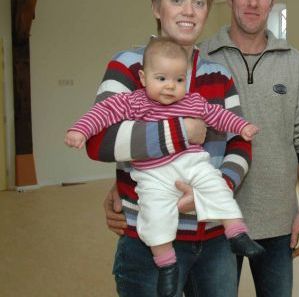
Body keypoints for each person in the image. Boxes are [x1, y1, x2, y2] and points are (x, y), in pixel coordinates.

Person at [66, 38, 265, 295]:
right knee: (155, 216)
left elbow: (220, 116)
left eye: (178, 80)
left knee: (215, 185)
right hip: (153, 173)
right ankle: (167, 263)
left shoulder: (193, 101)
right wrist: (80, 130)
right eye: (161, 79)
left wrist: (242, 127)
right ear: (143, 77)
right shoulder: (135, 102)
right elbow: (102, 114)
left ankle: (236, 232)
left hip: (191, 162)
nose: (170, 86)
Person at [195, 0, 299, 295]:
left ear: (273, 0)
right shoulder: (199, 57)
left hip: (278, 221)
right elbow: (159, 118)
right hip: (212, 219)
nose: (253, 2)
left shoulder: (296, 64)